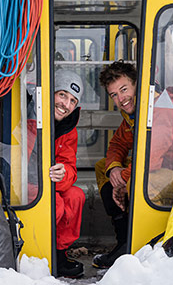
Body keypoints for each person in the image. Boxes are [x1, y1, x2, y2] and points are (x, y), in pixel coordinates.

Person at [92, 60, 138, 269]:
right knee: (103, 166)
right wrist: (114, 168)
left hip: (167, 171)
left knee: (130, 182)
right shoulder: (129, 117)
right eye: (114, 95)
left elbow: (153, 156)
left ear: (136, 84)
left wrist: (123, 180)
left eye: (124, 89)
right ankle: (123, 238)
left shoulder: (159, 107)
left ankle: (130, 242)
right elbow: (118, 143)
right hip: (148, 165)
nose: (121, 99)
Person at [51, 69, 86, 278]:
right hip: (24, 183)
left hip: (50, 183)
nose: (66, 104)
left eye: (73, 101)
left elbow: (70, 167)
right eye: (62, 94)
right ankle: (37, 250)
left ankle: (58, 253)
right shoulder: (27, 114)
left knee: (75, 196)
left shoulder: (69, 128)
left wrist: (63, 174)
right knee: (55, 204)